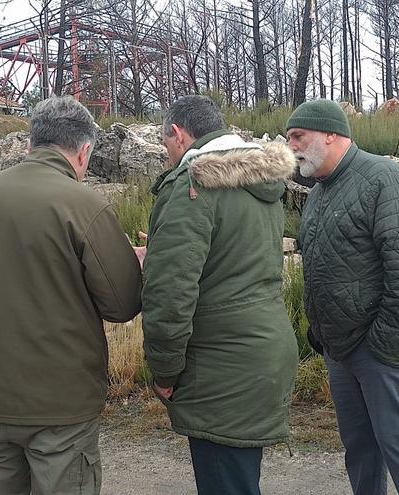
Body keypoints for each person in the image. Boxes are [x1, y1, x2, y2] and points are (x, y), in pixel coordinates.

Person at [0, 96, 142, 494]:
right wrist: (136, 264)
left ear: (29, 144)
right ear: (84, 150)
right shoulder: (84, 203)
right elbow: (121, 304)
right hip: (60, 402)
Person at [287, 99, 399, 495]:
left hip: (385, 339)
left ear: (330, 134)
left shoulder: (383, 177)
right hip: (342, 345)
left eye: (297, 136)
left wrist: (383, 344)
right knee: (359, 445)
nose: (290, 147)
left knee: (398, 442)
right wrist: (324, 335)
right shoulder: (322, 190)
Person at [141, 94, 298, 495]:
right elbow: (231, 256)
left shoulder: (193, 183)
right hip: (261, 349)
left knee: (226, 484)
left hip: (219, 363)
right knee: (240, 480)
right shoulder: (259, 180)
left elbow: (170, 295)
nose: (167, 156)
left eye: (165, 146)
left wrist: (164, 370)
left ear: (177, 133)